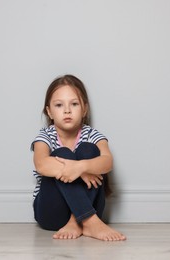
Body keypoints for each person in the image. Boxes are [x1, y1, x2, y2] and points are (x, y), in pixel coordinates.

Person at [31, 74, 126, 241]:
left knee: (89, 150)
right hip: (52, 212)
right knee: (62, 153)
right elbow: (41, 164)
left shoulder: (92, 135)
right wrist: (79, 170)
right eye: (59, 105)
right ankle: (87, 220)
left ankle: (80, 220)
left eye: (74, 104)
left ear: (84, 109)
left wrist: (81, 167)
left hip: (91, 207)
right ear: (49, 112)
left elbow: (107, 162)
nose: (67, 110)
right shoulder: (45, 136)